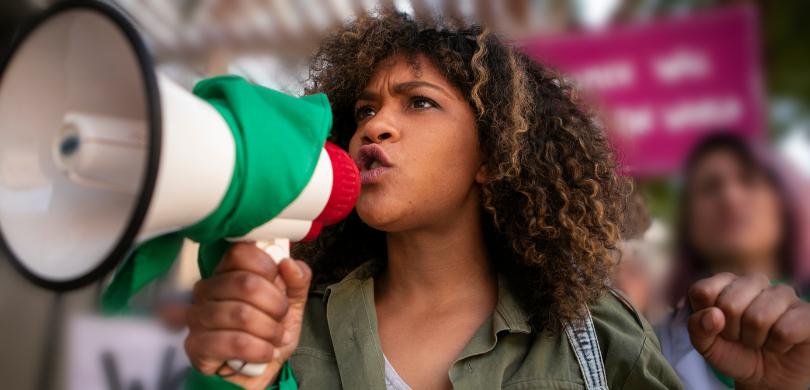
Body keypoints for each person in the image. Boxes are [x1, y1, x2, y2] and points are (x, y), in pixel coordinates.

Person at [183, 11, 810, 390]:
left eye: (419, 102)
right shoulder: (292, 324)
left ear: (493, 156)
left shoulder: (594, 334)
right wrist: (237, 377)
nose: (375, 127)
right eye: (366, 110)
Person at [655, 133, 810, 389]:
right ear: (689, 224)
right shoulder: (648, 344)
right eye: (709, 187)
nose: (730, 196)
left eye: (750, 180)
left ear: (785, 208)